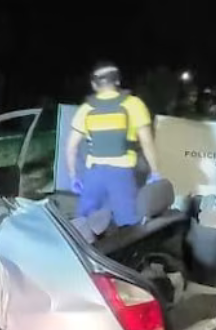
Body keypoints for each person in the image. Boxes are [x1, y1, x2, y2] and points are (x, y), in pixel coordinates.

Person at [65, 63, 161, 228]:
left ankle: (81, 251)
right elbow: (147, 142)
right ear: (117, 81)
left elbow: (71, 148)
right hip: (122, 174)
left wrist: (73, 176)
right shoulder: (134, 104)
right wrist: (155, 171)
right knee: (128, 224)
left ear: (94, 85)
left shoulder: (86, 108)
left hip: (93, 174)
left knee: (82, 222)